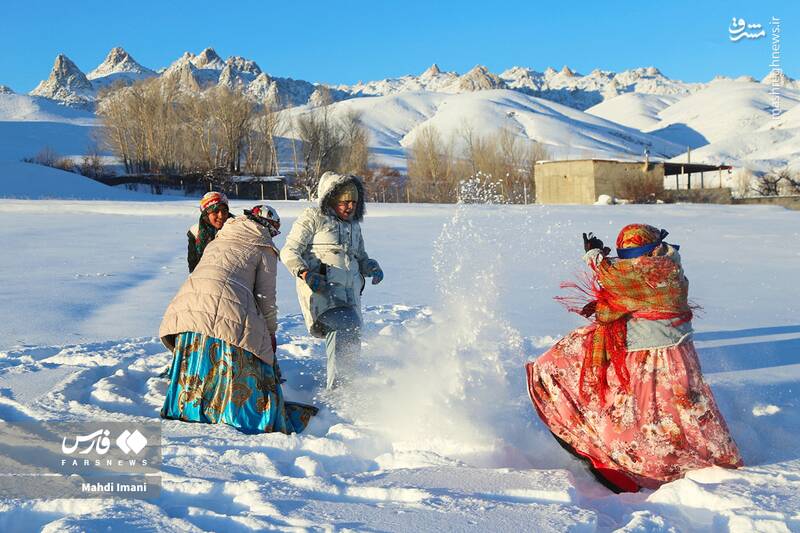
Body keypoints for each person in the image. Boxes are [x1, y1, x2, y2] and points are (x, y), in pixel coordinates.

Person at [526, 224, 742, 492]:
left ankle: (634, 467)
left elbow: (615, 275)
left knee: (647, 417)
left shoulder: (645, 273)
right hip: (672, 357)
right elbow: (623, 274)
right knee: (678, 414)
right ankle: (697, 459)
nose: (628, 261)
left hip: (653, 359)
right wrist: (601, 259)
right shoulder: (669, 263)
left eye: (629, 255)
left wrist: (594, 255)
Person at [160, 204, 317, 434]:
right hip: (225, 304)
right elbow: (265, 297)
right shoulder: (264, 247)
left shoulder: (222, 236)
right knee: (242, 348)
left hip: (188, 304)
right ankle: (232, 411)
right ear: (269, 227)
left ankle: (189, 405)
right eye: (274, 231)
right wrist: (270, 332)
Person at [280, 171, 383, 389]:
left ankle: (347, 387)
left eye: (354, 202)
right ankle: (336, 392)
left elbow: (360, 257)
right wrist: (305, 273)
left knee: (351, 337)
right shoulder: (313, 217)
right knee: (343, 325)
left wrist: (370, 266)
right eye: (345, 202)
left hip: (350, 295)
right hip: (322, 292)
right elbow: (289, 251)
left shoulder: (354, 226)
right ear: (332, 199)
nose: (350, 207)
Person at [188, 191, 232, 273]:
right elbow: (193, 265)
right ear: (206, 214)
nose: (221, 216)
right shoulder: (195, 232)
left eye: (224, 211)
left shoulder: (237, 228)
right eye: (215, 211)